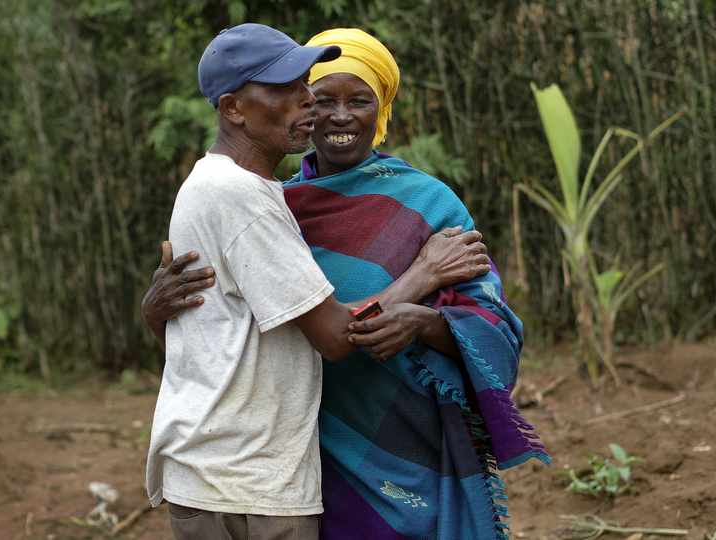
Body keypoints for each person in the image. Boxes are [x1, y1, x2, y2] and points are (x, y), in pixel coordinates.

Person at [144, 28, 550, 540]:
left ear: (379, 112)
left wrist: (426, 323)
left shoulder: (428, 205)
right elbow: (238, 337)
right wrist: (158, 314)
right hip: (283, 456)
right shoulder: (272, 205)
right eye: (319, 96)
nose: (333, 114)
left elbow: (494, 325)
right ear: (236, 107)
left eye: (358, 101)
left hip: (400, 438)